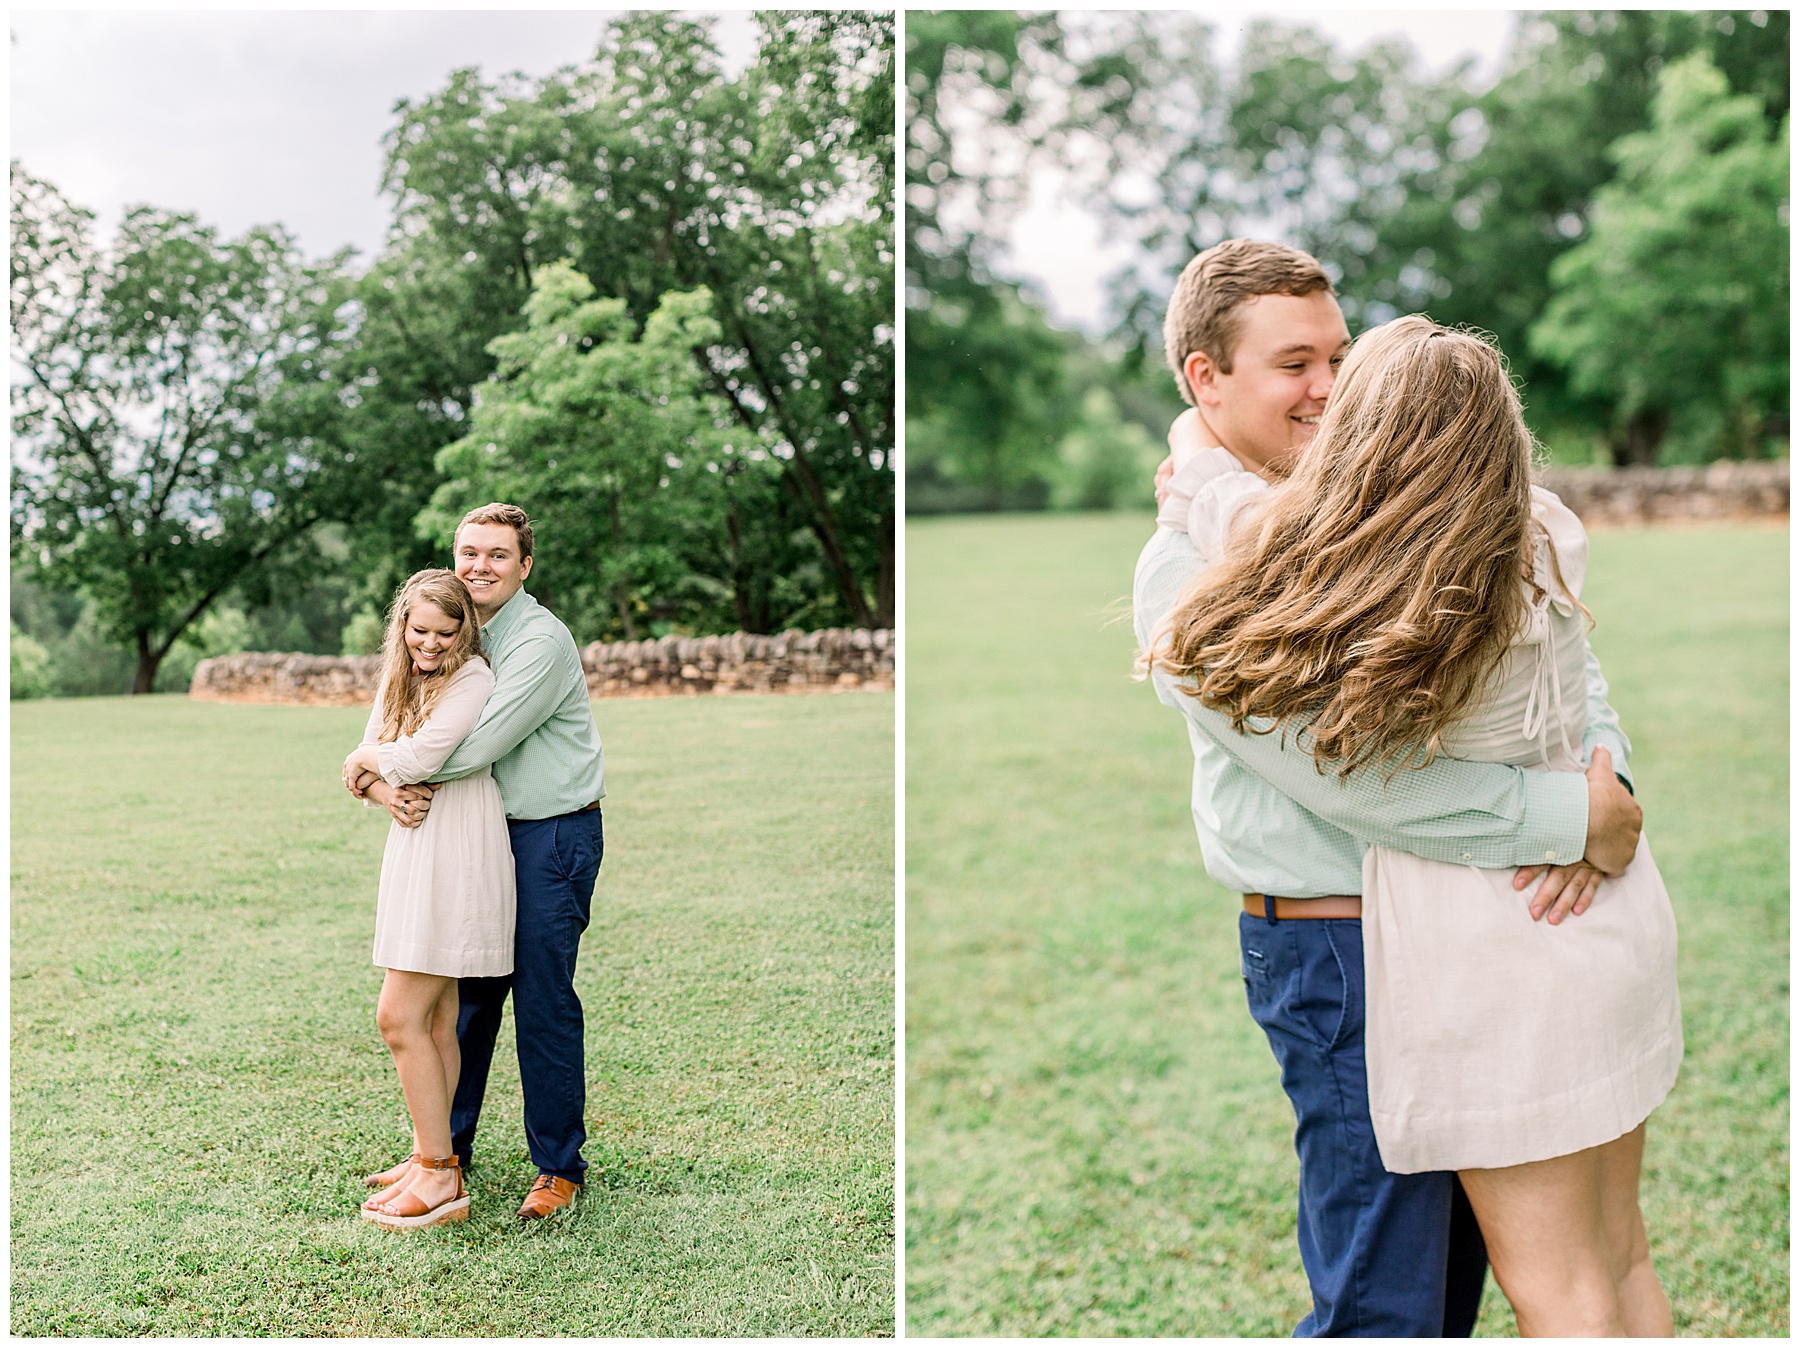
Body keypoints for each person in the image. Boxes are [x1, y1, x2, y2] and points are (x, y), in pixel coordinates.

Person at [1130, 240, 1648, 1336]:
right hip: (1342, 956)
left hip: (1482, 930)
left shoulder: (1425, 517)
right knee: (1393, 1300)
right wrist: (1573, 817)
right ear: (1204, 381)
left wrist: (1610, 772)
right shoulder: (1189, 573)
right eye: (1292, 363)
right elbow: (1350, 779)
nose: (1326, 387)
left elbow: (1573, 662)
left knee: (1481, 1287)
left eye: (1339, 356)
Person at [352, 503, 606, 1221]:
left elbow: (470, 746)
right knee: (463, 1004)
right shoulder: (459, 634)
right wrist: (378, 784)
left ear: (525, 566)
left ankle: (558, 1167)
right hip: (481, 836)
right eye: (470, 552)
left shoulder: (537, 642)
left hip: (550, 834)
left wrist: (374, 769)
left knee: (543, 1001)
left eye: (498, 554)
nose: (480, 565)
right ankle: (443, 1153)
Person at [343, 569, 514, 1230]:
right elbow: (377, 764)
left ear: (464, 630)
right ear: (403, 625)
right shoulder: (400, 676)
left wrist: (370, 765)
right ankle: (430, 1157)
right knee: (436, 1020)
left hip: (457, 850)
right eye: (420, 630)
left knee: (398, 1017)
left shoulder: (472, 679)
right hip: (416, 845)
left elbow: (417, 754)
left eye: (446, 632)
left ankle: (441, 1177)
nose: (432, 644)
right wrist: (379, 786)